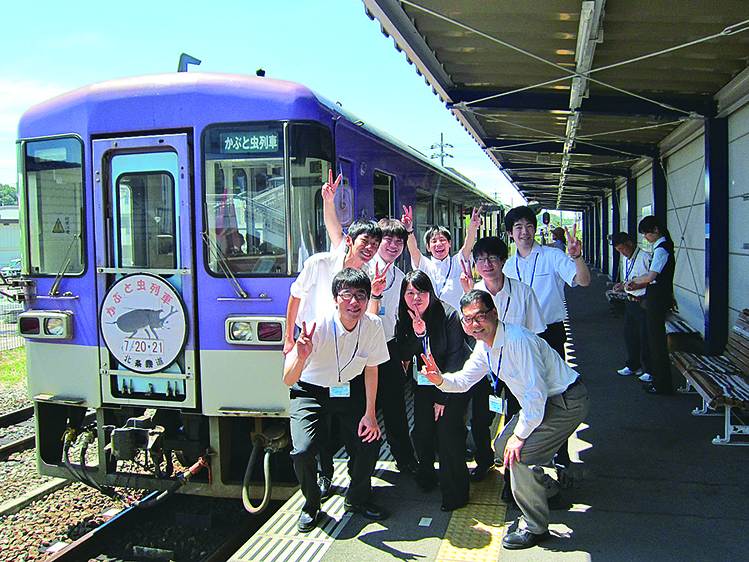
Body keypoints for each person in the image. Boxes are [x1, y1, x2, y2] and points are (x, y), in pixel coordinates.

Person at [421, 290, 589, 550]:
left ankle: (535, 527)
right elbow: (465, 380)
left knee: (517, 455)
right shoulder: (483, 346)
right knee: (501, 446)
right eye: (467, 320)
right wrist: (440, 380)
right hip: (543, 403)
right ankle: (548, 489)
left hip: (565, 402)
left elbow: (536, 395)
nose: (474, 324)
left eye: (480, 316)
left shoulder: (517, 340)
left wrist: (520, 436)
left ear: (495, 314)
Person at [321, 178, 419, 476]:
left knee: (394, 408)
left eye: (397, 241)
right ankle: (330, 471)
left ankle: (404, 460)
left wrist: (404, 352)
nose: (391, 245)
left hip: (384, 350)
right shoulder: (357, 267)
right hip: (345, 347)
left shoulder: (403, 276)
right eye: (386, 240)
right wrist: (329, 201)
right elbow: (336, 231)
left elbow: (401, 318)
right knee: (336, 410)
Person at [283, 268, 390, 532]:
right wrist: (302, 355)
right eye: (347, 295)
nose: (354, 302)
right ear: (335, 298)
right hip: (309, 390)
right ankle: (311, 505)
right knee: (303, 450)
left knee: (369, 439)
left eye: (361, 296)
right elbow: (288, 379)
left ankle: (358, 497)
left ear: (367, 300)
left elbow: (372, 368)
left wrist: (370, 413)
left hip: (347, 389)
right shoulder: (316, 327)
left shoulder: (374, 325)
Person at [503, 206, 590, 468]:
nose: (524, 231)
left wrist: (577, 257)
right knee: (519, 394)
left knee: (555, 395)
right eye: (518, 227)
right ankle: (521, 454)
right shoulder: (508, 264)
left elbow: (583, 281)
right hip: (518, 336)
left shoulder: (553, 256)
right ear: (510, 234)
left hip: (550, 333)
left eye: (528, 225)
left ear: (535, 228)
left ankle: (560, 455)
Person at [460, 236, 546, 489]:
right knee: (479, 420)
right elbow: (467, 329)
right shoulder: (472, 294)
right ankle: (484, 461)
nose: (487, 264)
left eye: (493, 258)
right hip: (486, 368)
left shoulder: (523, 292)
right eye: (481, 260)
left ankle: (512, 479)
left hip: (517, 370)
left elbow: (537, 334)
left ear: (504, 260)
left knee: (516, 421)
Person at [393, 270, 473, 511]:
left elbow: (456, 358)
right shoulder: (406, 316)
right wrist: (418, 333)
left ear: (431, 293)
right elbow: (403, 354)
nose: (415, 298)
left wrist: (442, 396)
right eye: (410, 293)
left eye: (421, 292)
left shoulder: (448, 315)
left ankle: (456, 494)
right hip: (424, 383)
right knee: (422, 432)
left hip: (452, 384)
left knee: (448, 434)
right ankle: (427, 477)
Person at [626, 216, 676, 395]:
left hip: (657, 300)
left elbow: (651, 276)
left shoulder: (662, 249)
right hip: (658, 298)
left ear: (656, 230)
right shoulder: (663, 247)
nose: (646, 237)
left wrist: (633, 280)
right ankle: (658, 380)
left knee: (657, 343)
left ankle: (662, 384)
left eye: (647, 232)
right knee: (655, 341)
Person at [400, 204, 482, 313]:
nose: (439, 244)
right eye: (434, 241)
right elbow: (413, 250)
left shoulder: (458, 262)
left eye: (442, 240)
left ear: (449, 243)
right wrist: (409, 230)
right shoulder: (425, 265)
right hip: (431, 319)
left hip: (456, 320)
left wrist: (472, 227)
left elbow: (468, 246)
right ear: (428, 248)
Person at [611, 232, 653, 382]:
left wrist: (637, 285)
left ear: (630, 243)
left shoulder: (646, 257)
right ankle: (633, 365)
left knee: (645, 337)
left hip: (642, 301)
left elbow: (653, 280)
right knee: (630, 336)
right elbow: (628, 279)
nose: (622, 253)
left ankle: (649, 368)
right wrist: (621, 285)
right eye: (619, 251)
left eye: (622, 249)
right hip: (630, 301)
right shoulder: (626, 259)